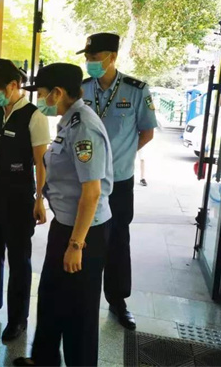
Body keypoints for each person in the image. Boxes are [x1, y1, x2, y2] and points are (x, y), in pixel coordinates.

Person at [13, 62, 113, 367]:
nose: (40, 99)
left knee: (78, 310)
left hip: (84, 233)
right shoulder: (68, 122)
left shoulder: (83, 127)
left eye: (42, 93)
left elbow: (92, 192)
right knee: (52, 296)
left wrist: (76, 244)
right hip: (66, 225)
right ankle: (44, 359)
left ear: (57, 93)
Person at [79, 32, 158, 330]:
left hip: (119, 182)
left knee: (117, 241)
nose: (90, 62)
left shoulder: (136, 90)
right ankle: (82, 297)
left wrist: (121, 156)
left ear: (112, 57)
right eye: (88, 57)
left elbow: (147, 132)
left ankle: (117, 301)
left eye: (95, 57)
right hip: (87, 180)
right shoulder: (82, 88)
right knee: (83, 237)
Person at [0, 59, 51, 342]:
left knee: (19, 260)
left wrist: (39, 198)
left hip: (18, 197)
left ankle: (18, 319)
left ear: (13, 85)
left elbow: (41, 163)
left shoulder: (34, 116)